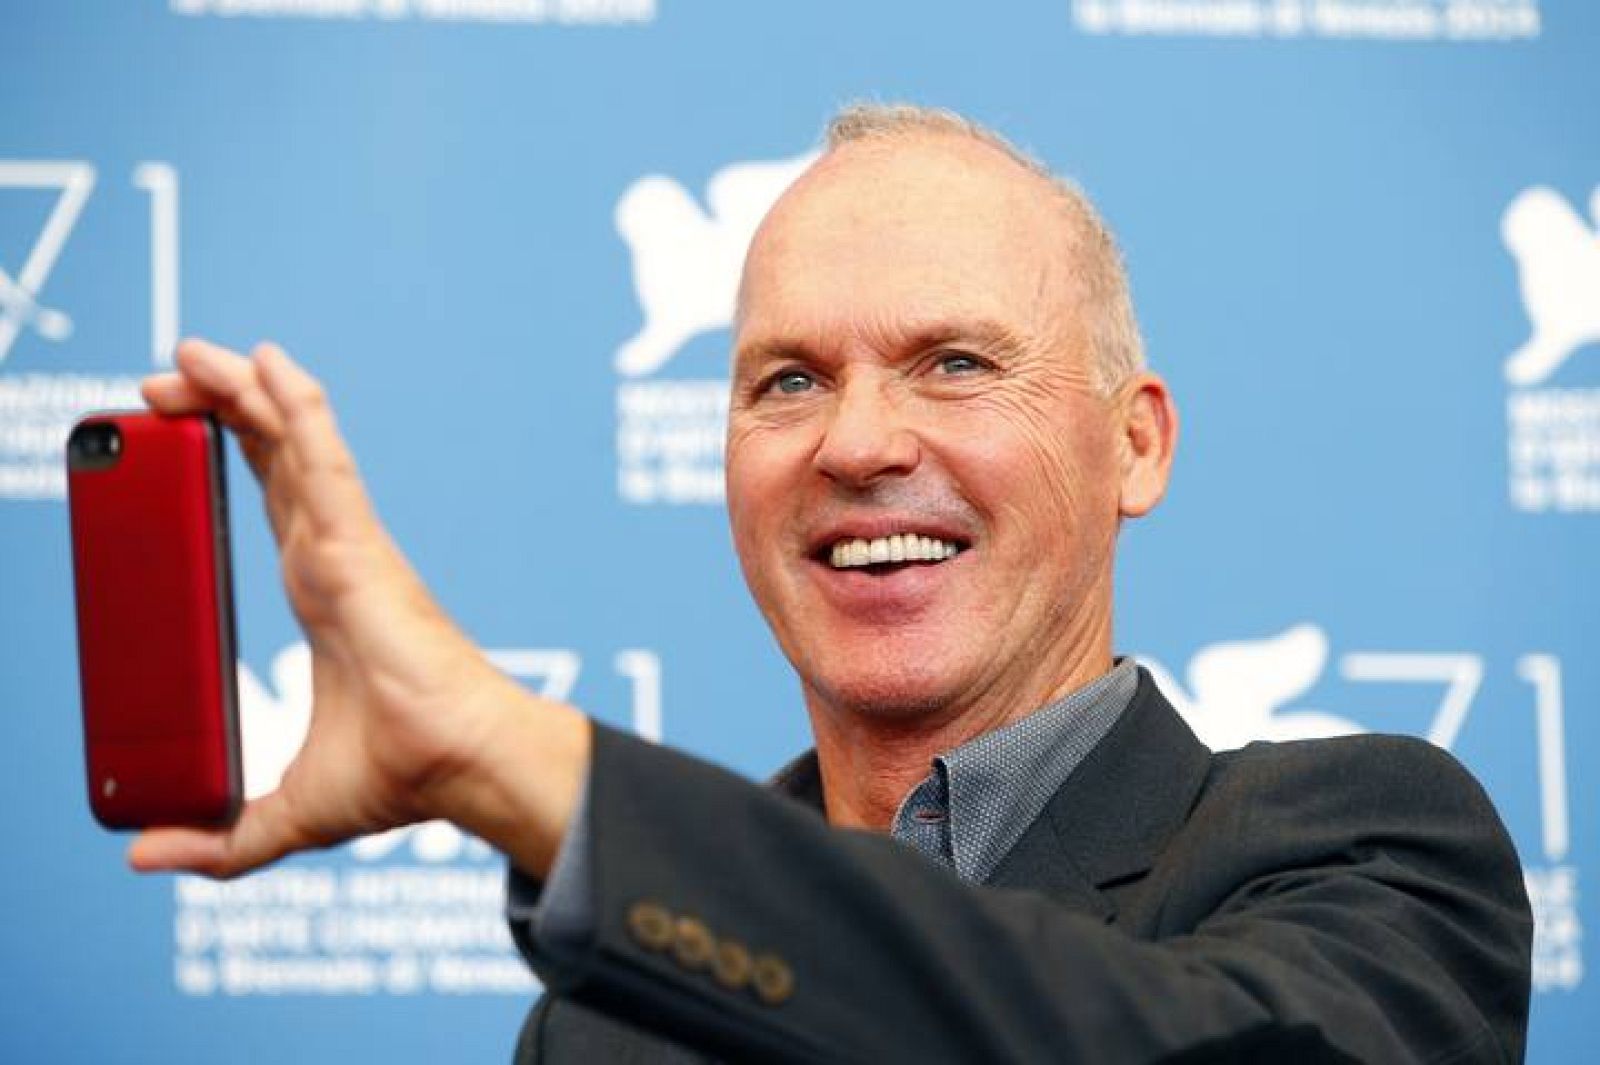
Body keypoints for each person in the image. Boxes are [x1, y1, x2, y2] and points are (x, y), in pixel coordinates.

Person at [132, 104, 1532, 1063]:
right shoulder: (604, 1017)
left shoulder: (1369, 846)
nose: (858, 441)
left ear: (1134, 442)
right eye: (788, 380)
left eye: (956, 363)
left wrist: (513, 754)